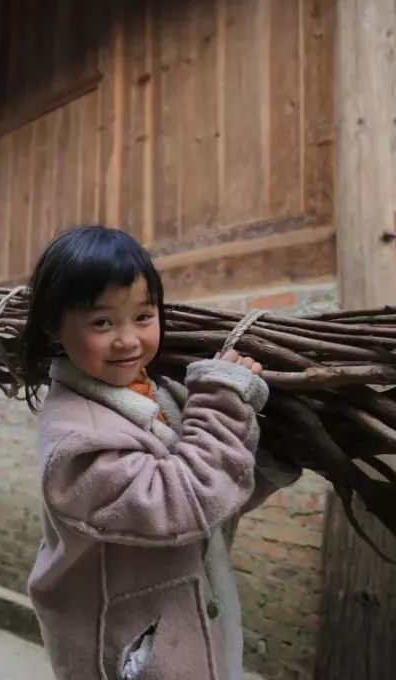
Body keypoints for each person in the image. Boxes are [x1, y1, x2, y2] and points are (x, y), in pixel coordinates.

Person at [19, 226, 300, 680]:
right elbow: (181, 501)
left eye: (143, 317)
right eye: (102, 322)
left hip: (184, 635)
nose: (128, 339)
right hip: (132, 653)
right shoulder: (76, 442)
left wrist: (270, 457)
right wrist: (221, 398)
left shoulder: (158, 394)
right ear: (55, 327)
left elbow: (212, 498)